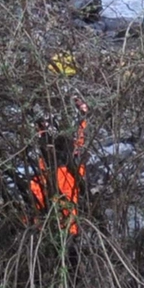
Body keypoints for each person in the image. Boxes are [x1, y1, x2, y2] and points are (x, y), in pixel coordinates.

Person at [28, 52, 89, 236]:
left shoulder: (49, 105)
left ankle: (65, 243)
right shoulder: (76, 105)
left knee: (62, 209)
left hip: (61, 165)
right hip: (59, 164)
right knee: (59, 207)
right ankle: (60, 238)